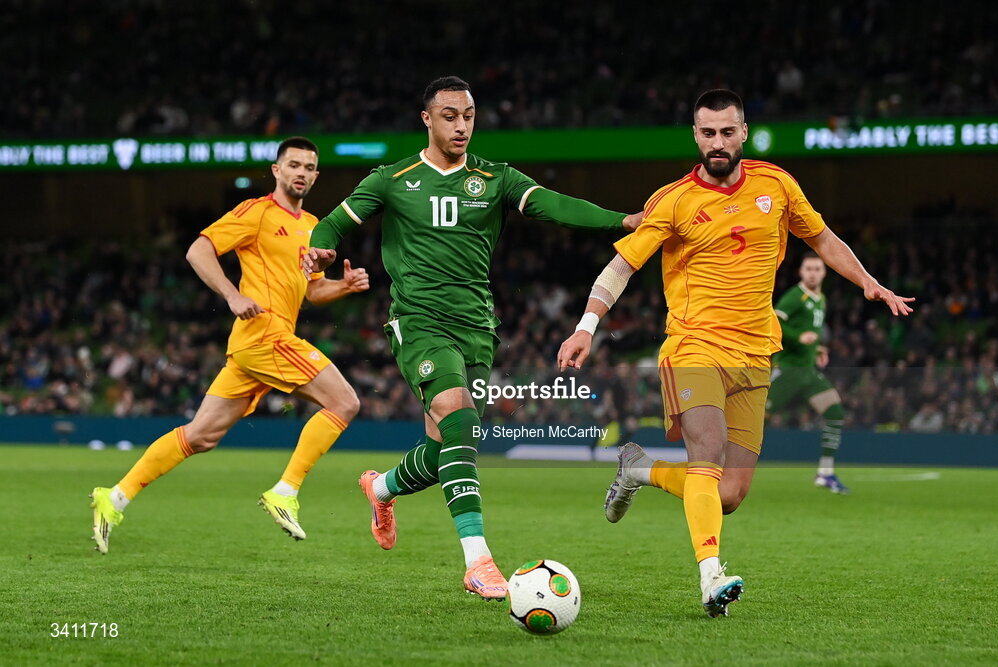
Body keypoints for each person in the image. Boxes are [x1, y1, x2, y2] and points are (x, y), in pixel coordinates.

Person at [557, 89, 914, 617]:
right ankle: (710, 577)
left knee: (728, 494)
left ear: (743, 132)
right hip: (693, 345)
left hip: (755, 353)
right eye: (708, 133)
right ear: (695, 136)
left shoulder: (777, 184)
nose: (718, 142)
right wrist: (587, 324)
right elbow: (622, 267)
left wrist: (869, 282)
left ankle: (640, 469)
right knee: (707, 452)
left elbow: (823, 238)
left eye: (727, 132)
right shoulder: (673, 200)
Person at [305, 76, 640, 600]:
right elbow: (329, 226)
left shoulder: (495, 177)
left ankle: (382, 487)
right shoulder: (393, 179)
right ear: (427, 119)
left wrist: (620, 219)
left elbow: (555, 204)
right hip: (418, 323)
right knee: (459, 418)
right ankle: (477, 559)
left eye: (468, 116)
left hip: (477, 328)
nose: (461, 126)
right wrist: (320, 251)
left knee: (448, 448)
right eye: (449, 116)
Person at [89, 137, 369, 554]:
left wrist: (342, 286)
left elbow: (311, 291)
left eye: (309, 168)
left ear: (315, 176)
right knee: (345, 402)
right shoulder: (255, 213)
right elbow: (198, 250)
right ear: (276, 170)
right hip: (265, 334)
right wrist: (231, 295)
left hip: (257, 344)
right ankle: (285, 491)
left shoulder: (312, 226)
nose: (301, 173)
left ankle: (114, 498)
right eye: (293, 165)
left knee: (200, 436)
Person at [768, 253, 850, 493]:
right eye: (808, 269)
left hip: (807, 371)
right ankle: (716, 466)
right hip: (789, 370)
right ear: (801, 273)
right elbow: (773, 320)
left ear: (824, 273)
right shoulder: (795, 296)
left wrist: (816, 349)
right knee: (756, 417)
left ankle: (825, 473)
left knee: (835, 411)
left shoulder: (820, 299)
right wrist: (798, 338)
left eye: (817, 269)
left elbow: (809, 334)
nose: (813, 273)